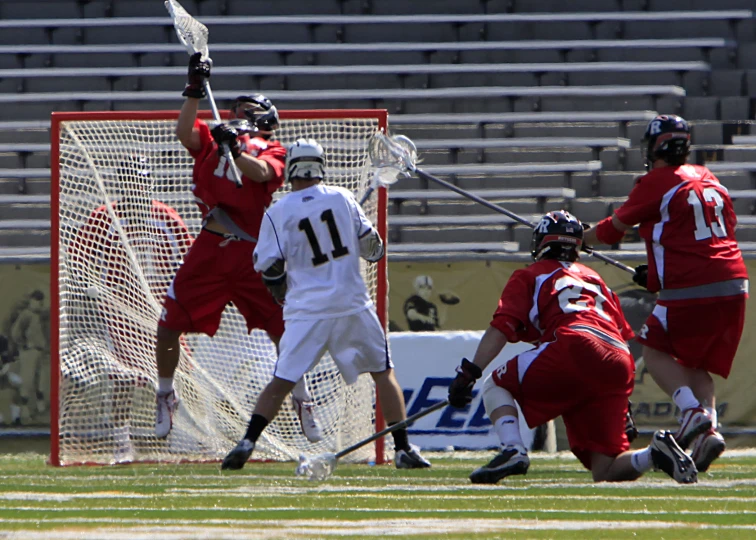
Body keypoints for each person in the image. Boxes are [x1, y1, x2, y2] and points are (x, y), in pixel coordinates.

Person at [221, 139, 431, 471]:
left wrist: (280, 289)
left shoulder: (278, 210)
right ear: (320, 165)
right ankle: (403, 449)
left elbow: (267, 265)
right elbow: (373, 250)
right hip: (351, 304)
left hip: (307, 310)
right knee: (382, 373)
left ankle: (247, 442)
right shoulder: (344, 198)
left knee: (282, 381)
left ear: (292, 167)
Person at [448, 210, 697, 485]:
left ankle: (512, 450)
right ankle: (653, 454)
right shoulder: (595, 279)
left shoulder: (531, 275)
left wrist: (470, 372)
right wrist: (622, 402)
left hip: (572, 343)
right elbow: (617, 338)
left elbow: (501, 328)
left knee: (495, 384)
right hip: (618, 358)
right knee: (605, 470)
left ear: (543, 242)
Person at [157, 52, 322, 443]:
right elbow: (184, 132)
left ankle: (302, 398)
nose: (237, 113)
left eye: (248, 109)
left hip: (254, 251)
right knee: (168, 324)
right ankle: (165, 394)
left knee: (285, 331)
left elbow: (263, 173)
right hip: (212, 247)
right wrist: (194, 90)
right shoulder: (215, 139)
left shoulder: (272, 148)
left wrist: (238, 148)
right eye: (236, 108)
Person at [583, 114, 748, 473]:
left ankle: (691, 414)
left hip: (693, 284)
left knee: (655, 351)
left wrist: (578, 238)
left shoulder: (657, 181)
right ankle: (709, 432)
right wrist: (659, 275)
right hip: (735, 281)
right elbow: (715, 234)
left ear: (655, 147)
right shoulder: (709, 177)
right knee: (695, 364)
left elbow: (613, 230)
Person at [67, 155, 194, 461]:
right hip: (121, 313)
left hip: (162, 311)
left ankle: (184, 436)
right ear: (122, 186)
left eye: (140, 183)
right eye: (130, 184)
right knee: (123, 379)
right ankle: (122, 442)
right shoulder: (104, 218)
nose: (136, 191)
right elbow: (78, 254)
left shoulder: (165, 217)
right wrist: (91, 285)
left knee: (181, 374)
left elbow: (189, 257)